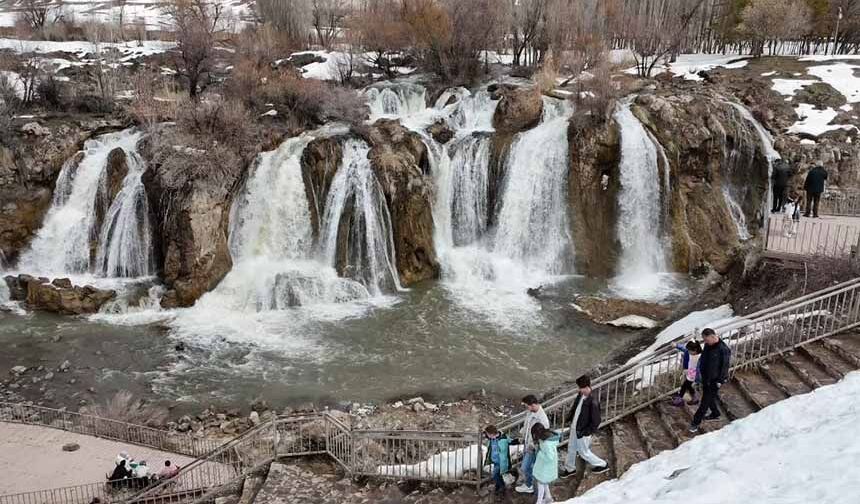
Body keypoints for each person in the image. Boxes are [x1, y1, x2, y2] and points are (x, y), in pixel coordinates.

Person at [560, 375, 608, 478]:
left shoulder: (593, 401)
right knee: (571, 448)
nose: (579, 390)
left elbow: (596, 421)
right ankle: (570, 468)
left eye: (580, 388)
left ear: (586, 387)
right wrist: (569, 418)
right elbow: (576, 408)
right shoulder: (581, 394)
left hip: (582, 431)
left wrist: (585, 432)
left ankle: (602, 464)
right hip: (575, 428)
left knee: (583, 452)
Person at [690, 328, 731, 433]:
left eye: (706, 339)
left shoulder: (723, 349)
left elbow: (725, 367)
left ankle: (695, 422)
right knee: (709, 398)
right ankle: (715, 413)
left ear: (713, 336)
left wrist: (720, 381)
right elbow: (703, 358)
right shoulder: (708, 345)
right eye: (704, 340)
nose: (705, 342)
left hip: (715, 380)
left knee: (704, 402)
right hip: (705, 377)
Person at [515, 394, 549, 494]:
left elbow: (542, 438)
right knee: (530, 466)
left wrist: (532, 446)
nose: (526, 408)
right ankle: (530, 484)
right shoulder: (530, 412)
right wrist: (521, 434)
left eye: (527, 406)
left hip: (533, 447)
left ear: (533, 405)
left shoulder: (543, 420)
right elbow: (527, 425)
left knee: (524, 467)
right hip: (527, 443)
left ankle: (530, 485)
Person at [531, 423, 560, 504]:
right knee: (544, 482)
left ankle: (539, 502)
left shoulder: (546, 443)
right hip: (545, 466)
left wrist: (540, 454)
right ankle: (548, 498)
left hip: (545, 467)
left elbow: (550, 456)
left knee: (541, 484)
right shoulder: (546, 438)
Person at [482, 425, 512, 496]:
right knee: (498, 475)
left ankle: (502, 487)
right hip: (495, 461)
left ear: (492, 434)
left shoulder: (503, 438)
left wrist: (519, 441)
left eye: (488, 434)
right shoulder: (492, 438)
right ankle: (498, 486)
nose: (487, 436)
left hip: (501, 462)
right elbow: (485, 434)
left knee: (495, 475)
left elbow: (511, 441)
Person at [673, 340, 703, 406]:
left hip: (695, 374)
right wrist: (677, 345)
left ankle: (680, 399)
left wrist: (698, 379)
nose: (688, 352)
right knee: (688, 385)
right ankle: (694, 397)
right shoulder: (689, 352)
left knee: (684, 385)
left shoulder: (701, 357)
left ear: (695, 350)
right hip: (690, 372)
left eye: (690, 350)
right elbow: (684, 349)